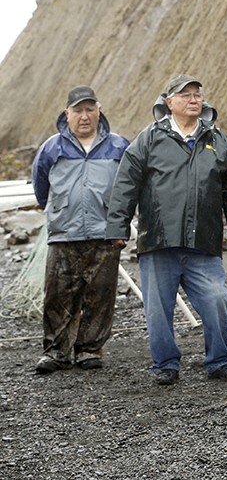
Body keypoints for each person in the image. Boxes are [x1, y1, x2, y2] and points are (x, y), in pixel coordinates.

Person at [106, 74, 227, 386]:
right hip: (159, 241)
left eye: (197, 94)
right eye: (185, 95)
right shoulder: (149, 139)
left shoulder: (217, 140)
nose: (193, 99)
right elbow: (125, 184)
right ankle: (166, 365)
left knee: (217, 299)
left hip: (204, 241)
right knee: (158, 309)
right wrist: (117, 226)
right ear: (168, 102)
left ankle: (219, 361)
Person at [31, 85, 130, 374]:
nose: (84, 116)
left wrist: (120, 222)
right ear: (67, 114)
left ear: (99, 110)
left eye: (90, 109)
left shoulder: (118, 146)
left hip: (105, 234)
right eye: (78, 110)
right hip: (64, 233)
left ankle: (89, 349)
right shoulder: (51, 148)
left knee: (100, 295)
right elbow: (41, 189)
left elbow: (129, 188)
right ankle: (56, 352)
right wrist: (60, 211)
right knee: (57, 295)